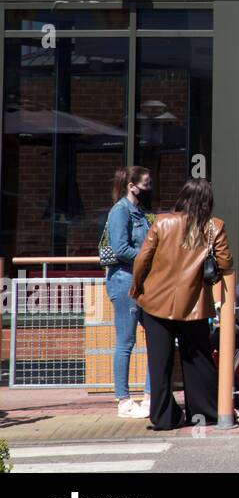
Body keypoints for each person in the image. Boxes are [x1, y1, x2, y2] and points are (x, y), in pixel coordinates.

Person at [129, 178, 233, 431]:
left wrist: (137, 287)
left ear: (182, 197)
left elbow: (142, 259)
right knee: (198, 359)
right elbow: (226, 263)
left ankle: (165, 418)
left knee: (160, 361)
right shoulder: (213, 227)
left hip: (155, 302)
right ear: (207, 201)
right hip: (194, 305)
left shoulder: (162, 222)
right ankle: (204, 411)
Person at [104, 166, 154, 419]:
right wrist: (150, 260)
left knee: (156, 336)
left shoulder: (141, 213)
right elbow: (121, 248)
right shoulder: (120, 211)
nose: (149, 187)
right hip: (124, 281)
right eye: (146, 183)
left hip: (143, 281)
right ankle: (123, 400)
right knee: (126, 341)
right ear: (132, 186)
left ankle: (149, 395)